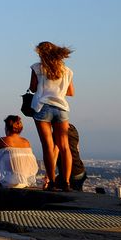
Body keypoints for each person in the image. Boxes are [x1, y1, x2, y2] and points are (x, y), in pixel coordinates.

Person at [29, 41, 75, 191]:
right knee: (64, 147)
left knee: (48, 146)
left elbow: (33, 88)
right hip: (61, 108)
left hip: (42, 106)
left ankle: (52, 183)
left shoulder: (37, 67)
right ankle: (67, 182)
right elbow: (71, 92)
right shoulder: (67, 71)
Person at [55, 124, 87, 191]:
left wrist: (48, 177)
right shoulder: (73, 129)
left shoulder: (57, 133)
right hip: (80, 170)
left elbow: (54, 154)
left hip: (70, 174)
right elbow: (77, 149)